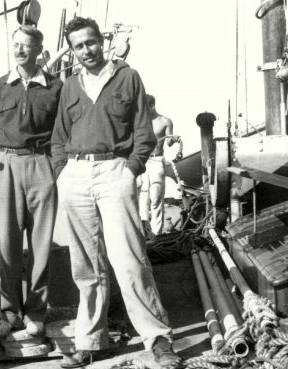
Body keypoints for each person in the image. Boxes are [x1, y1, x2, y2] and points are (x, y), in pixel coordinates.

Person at [51, 17, 180, 368]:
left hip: (115, 171)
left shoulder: (128, 77)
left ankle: (158, 338)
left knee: (129, 259)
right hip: (75, 175)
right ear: (73, 51)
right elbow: (59, 136)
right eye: (78, 46)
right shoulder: (70, 86)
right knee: (86, 266)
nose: (86, 50)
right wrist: (62, 171)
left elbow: (144, 129)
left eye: (91, 42)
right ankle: (92, 342)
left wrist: (132, 168)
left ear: (101, 42)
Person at [0, 25, 62, 336]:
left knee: (41, 245)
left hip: (42, 164)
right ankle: (10, 312)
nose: (19, 50)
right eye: (15, 45)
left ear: (39, 51)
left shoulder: (57, 87)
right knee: (8, 241)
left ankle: (36, 312)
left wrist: (54, 170)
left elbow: (62, 133)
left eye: (26, 46)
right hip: (6, 165)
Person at [138, 94, 177, 237]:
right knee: (142, 199)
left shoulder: (165, 121)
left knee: (156, 199)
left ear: (152, 106)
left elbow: (168, 142)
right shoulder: (139, 122)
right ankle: (143, 233)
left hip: (156, 161)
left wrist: (173, 139)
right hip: (141, 161)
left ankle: (156, 234)